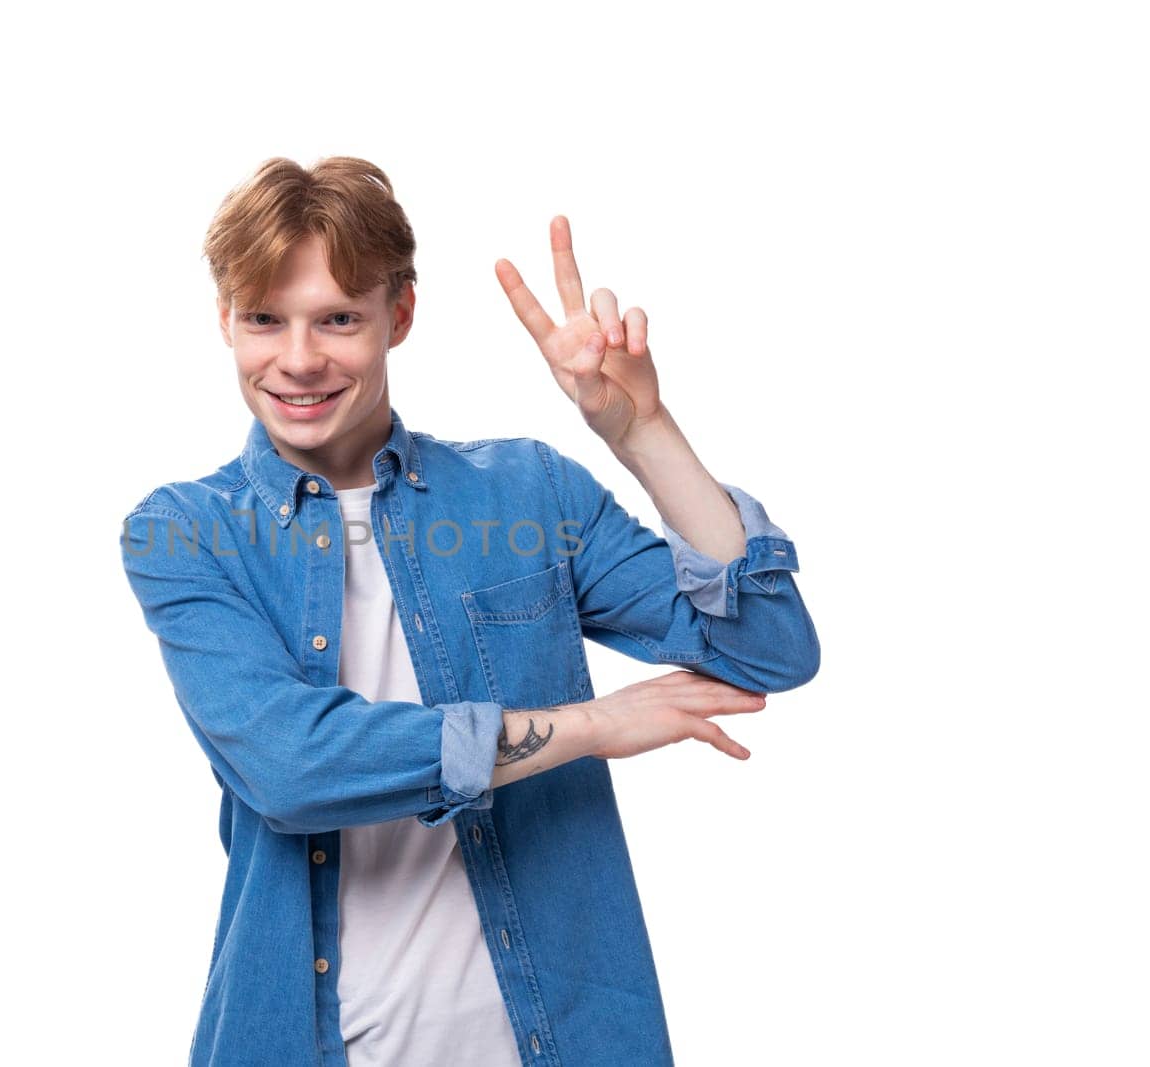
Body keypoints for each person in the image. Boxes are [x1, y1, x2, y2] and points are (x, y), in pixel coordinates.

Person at [118, 155, 820, 1067]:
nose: (297, 359)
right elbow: (292, 766)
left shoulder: (527, 492)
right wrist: (591, 725)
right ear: (225, 321)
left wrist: (642, 431)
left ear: (398, 315)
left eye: (338, 318)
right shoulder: (186, 533)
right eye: (265, 319)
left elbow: (769, 645)